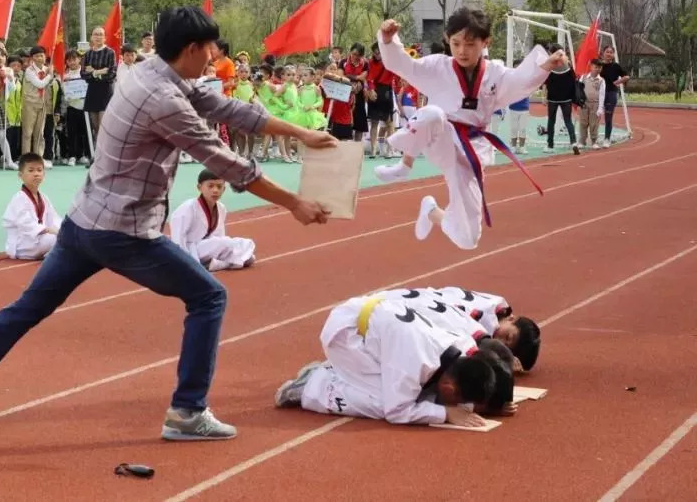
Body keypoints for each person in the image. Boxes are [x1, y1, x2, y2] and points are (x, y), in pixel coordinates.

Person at [0, 6, 335, 439]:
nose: (215, 55)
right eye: (211, 48)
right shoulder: (164, 101)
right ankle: (187, 411)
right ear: (191, 49)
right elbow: (226, 162)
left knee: (25, 309)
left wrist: (300, 132)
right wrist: (294, 203)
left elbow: (218, 103)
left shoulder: (147, 71)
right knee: (208, 296)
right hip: (124, 231)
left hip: (82, 221)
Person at [372, 8, 564, 249]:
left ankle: (431, 211)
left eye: (470, 44)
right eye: (456, 43)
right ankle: (404, 164)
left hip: (472, 150)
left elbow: (520, 82)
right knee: (432, 113)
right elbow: (404, 66)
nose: (462, 51)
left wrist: (545, 65)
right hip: (441, 137)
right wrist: (388, 40)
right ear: (447, 40)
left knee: (467, 238)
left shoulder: (495, 73)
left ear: (485, 42)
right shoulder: (437, 66)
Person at [274, 296, 499, 426]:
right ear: (449, 387)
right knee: (382, 401)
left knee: (412, 393)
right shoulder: (418, 360)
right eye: (454, 400)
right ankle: (312, 386)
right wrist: (446, 414)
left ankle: (337, 371)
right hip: (343, 335)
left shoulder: (454, 350)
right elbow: (396, 412)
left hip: (366, 326)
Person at [367, 285, 541, 371]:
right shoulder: (480, 318)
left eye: (505, 346)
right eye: (507, 337)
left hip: (400, 302)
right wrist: (501, 363)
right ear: (512, 318)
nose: (500, 341)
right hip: (393, 308)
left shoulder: (494, 304)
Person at [169, 170, 256, 271]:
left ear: (224, 189)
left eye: (219, 187)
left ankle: (215, 264)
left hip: (211, 248)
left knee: (249, 256)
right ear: (199, 187)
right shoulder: (187, 208)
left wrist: (224, 248)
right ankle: (213, 264)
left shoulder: (221, 208)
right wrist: (184, 263)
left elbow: (219, 235)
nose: (215, 190)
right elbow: (178, 239)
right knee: (224, 244)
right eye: (210, 186)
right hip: (190, 249)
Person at [2, 153, 62, 260]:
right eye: (31, 170)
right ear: (20, 175)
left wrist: (61, 229)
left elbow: (54, 219)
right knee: (57, 239)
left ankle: (53, 253)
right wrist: (46, 230)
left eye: (39, 170)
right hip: (22, 244)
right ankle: (54, 253)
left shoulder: (44, 198)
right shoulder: (19, 198)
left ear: (44, 174)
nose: (36, 174)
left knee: (65, 235)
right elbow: (25, 224)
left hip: (37, 240)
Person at [544, 44, 580, 155]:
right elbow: (574, 78)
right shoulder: (568, 65)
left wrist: (544, 96)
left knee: (551, 121)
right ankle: (573, 142)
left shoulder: (549, 66)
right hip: (566, 97)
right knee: (568, 121)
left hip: (553, 98)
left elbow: (545, 81)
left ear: (552, 53)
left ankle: (550, 145)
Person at [82, 26, 116, 139]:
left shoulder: (110, 52)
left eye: (101, 34)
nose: (98, 37)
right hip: (92, 91)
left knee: (104, 125)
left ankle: (105, 152)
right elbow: (83, 74)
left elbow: (111, 74)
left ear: (105, 38)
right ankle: (98, 150)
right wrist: (98, 72)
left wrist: (93, 72)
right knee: (95, 125)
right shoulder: (87, 54)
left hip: (105, 91)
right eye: (95, 34)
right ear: (91, 37)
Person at [21, 45, 55, 156]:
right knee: (28, 133)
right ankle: (26, 157)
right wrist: (50, 76)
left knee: (39, 133)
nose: (40, 58)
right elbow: (40, 84)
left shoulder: (47, 69)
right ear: (32, 58)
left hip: (43, 104)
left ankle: (38, 157)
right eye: (37, 56)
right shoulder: (29, 71)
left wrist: (50, 74)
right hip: (30, 104)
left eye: (42, 55)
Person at [599, 45, 629, 146]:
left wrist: (617, 82)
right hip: (598, 93)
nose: (609, 54)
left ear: (613, 55)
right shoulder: (598, 65)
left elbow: (626, 76)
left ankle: (607, 139)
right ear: (603, 53)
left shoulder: (616, 66)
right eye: (607, 52)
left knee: (608, 116)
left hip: (611, 93)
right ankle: (592, 137)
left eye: (611, 52)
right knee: (595, 115)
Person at [577, 58, 607, 149]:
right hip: (584, 104)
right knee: (583, 122)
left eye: (599, 68)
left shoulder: (601, 80)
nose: (597, 69)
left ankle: (594, 141)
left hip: (595, 104)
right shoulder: (584, 77)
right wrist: (579, 102)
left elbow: (602, 95)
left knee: (594, 124)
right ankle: (582, 141)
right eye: (596, 67)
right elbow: (579, 90)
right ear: (591, 67)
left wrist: (600, 108)